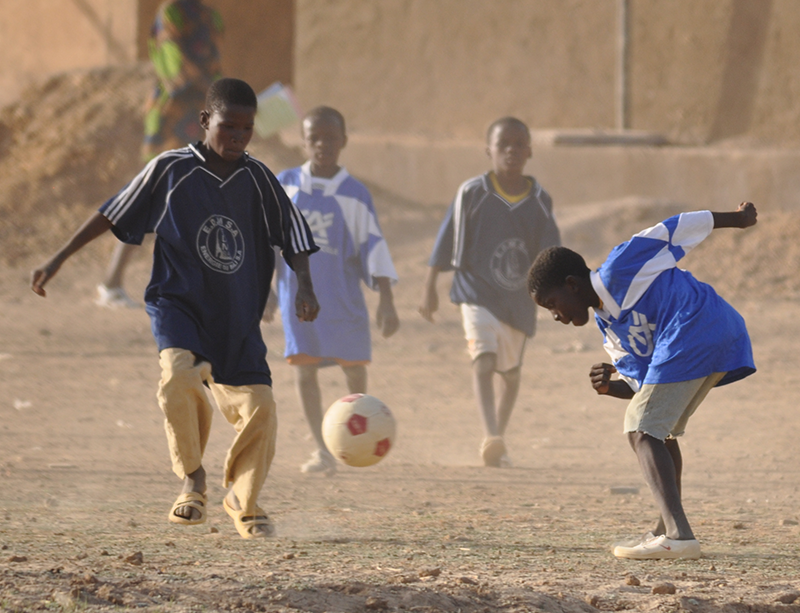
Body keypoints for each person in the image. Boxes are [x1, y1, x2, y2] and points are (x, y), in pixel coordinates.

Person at [31, 79, 319, 539]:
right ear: (206, 121)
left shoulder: (260, 178)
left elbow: (295, 237)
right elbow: (113, 211)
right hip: (179, 303)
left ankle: (243, 501)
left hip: (237, 315)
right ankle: (193, 479)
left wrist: (303, 285)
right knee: (179, 376)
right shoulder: (170, 168)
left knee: (261, 405)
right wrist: (59, 257)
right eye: (229, 126)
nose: (239, 137)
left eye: (247, 128)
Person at [527, 203, 758, 560]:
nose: (556, 316)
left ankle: (679, 536)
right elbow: (643, 385)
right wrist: (608, 388)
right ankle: (666, 529)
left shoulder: (621, 265)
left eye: (553, 304)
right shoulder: (610, 331)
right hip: (714, 335)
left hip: (695, 325)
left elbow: (677, 227)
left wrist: (737, 220)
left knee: (641, 429)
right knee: (658, 430)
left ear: (572, 285)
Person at [419, 117, 560, 466]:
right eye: (503, 145)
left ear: (528, 151)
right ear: (489, 151)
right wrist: (430, 289)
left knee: (510, 376)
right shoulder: (472, 193)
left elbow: (550, 255)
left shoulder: (540, 200)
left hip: (517, 301)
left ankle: (498, 438)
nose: (511, 151)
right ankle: (491, 435)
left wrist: (556, 295)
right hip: (475, 292)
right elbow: (445, 239)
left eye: (518, 144)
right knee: (483, 360)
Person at [272, 106, 399, 474]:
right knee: (305, 370)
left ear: (344, 141)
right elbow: (270, 242)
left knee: (355, 368)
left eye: (331, 138)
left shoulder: (355, 194)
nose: (322, 144)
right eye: (314, 138)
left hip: (343, 298)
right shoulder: (286, 185)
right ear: (303, 141)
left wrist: (387, 300)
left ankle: (358, 437)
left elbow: (373, 246)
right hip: (297, 298)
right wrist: (264, 292)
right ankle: (322, 449)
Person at [97, 0, 224, 309]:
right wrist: (216, 94)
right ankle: (111, 281)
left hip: (200, 119)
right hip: (171, 118)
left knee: (195, 200)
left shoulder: (212, 19)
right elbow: (177, 73)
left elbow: (216, 67)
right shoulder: (168, 14)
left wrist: (222, 104)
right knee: (151, 199)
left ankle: (188, 287)